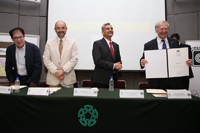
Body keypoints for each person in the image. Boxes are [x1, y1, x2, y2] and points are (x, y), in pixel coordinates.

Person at [140, 20, 192, 89]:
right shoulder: (149, 45)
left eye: (166, 28)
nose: (164, 31)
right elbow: (143, 59)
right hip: (157, 81)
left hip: (174, 80)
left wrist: (187, 62)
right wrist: (142, 62)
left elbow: (179, 57)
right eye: (161, 29)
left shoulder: (175, 42)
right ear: (156, 30)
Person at [43, 20, 78, 88]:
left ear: (66, 29)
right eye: (58, 28)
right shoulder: (49, 42)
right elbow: (46, 59)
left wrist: (62, 71)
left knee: (68, 98)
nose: (60, 30)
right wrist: (56, 72)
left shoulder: (72, 42)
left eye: (63, 28)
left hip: (68, 81)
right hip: (53, 80)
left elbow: (74, 59)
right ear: (55, 29)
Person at [92, 23, 122, 88]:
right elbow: (98, 61)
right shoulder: (97, 44)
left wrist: (119, 64)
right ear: (102, 32)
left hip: (113, 79)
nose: (110, 30)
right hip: (101, 80)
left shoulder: (116, 45)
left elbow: (118, 60)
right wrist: (114, 65)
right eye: (107, 29)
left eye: (111, 28)